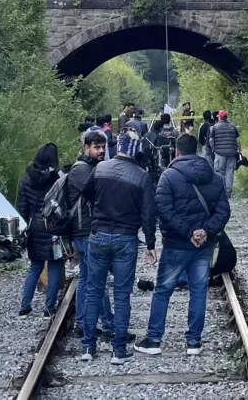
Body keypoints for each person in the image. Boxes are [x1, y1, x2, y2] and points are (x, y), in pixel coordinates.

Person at [134, 134, 230, 356]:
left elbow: (163, 210)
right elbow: (224, 211)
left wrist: (189, 233)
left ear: (177, 151)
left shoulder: (169, 177)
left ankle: (154, 339)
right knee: (198, 291)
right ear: (195, 150)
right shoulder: (214, 177)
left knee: (162, 291)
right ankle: (193, 343)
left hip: (177, 244)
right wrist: (205, 231)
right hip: (204, 246)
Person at [81, 128, 157, 365]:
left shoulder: (100, 169)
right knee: (122, 295)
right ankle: (118, 351)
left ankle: (88, 347)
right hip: (126, 239)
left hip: (98, 235)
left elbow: (86, 194)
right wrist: (151, 244)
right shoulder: (142, 176)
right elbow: (148, 214)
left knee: (94, 291)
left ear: (119, 147)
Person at [68, 131, 116, 338]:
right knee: (98, 279)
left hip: (87, 229)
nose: (101, 151)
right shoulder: (81, 170)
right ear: (86, 148)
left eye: (103, 147)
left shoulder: (93, 168)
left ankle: (81, 324)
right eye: (96, 147)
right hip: (85, 230)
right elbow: (100, 194)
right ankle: (108, 325)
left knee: (87, 279)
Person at [17, 143, 63, 319]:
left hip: (35, 227)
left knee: (35, 266)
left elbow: (22, 209)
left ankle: (24, 307)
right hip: (53, 227)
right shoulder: (56, 178)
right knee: (54, 265)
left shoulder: (26, 178)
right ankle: (49, 308)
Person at [209, 110, 241, 198]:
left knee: (220, 172)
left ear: (219, 117)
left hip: (219, 153)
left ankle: (221, 190)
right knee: (230, 172)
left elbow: (211, 140)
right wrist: (239, 150)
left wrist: (213, 149)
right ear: (226, 117)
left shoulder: (215, 127)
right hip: (231, 153)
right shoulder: (233, 126)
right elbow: (237, 140)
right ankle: (228, 192)